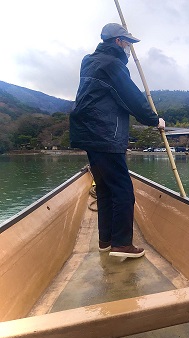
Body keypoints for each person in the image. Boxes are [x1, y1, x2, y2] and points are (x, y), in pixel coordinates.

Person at [70, 23, 165, 258]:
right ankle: (122, 244)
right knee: (123, 190)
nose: (131, 49)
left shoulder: (89, 61)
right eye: (128, 43)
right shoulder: (113, 65)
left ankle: (106, 240)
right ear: (118, 42)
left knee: (104, 188)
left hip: (89, 134)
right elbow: (133, 98)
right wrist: (155, 120)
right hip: (106, 135)